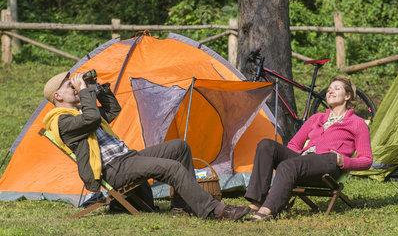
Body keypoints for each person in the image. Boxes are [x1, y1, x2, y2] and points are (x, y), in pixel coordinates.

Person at [42, 71, 250, 221]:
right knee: (172, 168)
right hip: (113, 170)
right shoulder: (62, 122)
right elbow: (93, 119)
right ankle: (216, 210)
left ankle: (181, 207)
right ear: (58, 96)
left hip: (127, 159)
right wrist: (86, 93)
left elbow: (113, 110)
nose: (75, 87)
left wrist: (97, 88)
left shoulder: (79, 113)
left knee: (179, 147)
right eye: (70, 86)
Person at [243, 76, 373, 221]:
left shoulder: (357, 123)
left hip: (329, 162)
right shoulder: (316, 118)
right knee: (266, 145)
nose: (330, 92)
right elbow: (293, 145)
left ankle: (267, 211)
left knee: (288, 165)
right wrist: (301, 156)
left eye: (337, 89)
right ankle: (256, 203)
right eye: (329, 90)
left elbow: (366, 160)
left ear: (348, 96)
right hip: (304, 161)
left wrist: (342, 160)